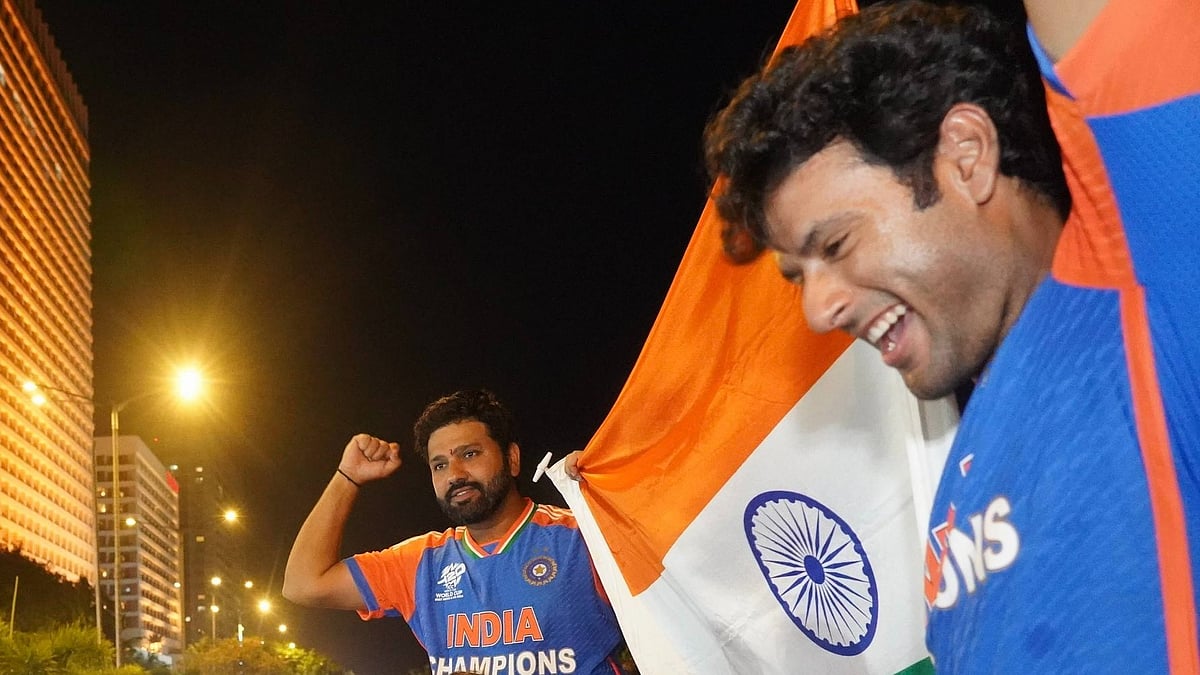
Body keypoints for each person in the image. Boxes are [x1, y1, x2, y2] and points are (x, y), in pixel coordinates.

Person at [704, 0, 1199, 672]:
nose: (817, 309)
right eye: (799, 275)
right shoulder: (958, 480)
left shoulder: (1146, 273)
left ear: (966, 157)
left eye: (838, 243)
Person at [282, 389, 628, 675]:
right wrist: (347, 478)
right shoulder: (420, 562)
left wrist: (617, 493)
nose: (455, 474)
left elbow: (675, 563)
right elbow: (304, 584)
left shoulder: (582, 536)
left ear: (512, 459)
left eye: (470, 454)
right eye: (440, 464)